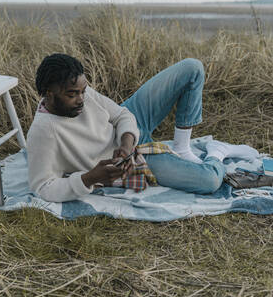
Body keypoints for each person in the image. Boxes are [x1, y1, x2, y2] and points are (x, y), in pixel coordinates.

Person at [27, 53, 259, 202]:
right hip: (134, 161)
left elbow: (121, 115)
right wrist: (89, 178)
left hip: (130, 134)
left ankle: (183, 148)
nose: (81, 99)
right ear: (50, 93)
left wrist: (126, 142)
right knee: (209, 182)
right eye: (72, 94)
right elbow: (44, 188)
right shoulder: (43, 132)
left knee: (192, 67)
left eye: (83, 91)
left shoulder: (81, 93)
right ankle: (219, 151)